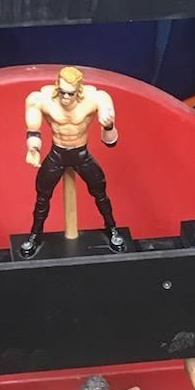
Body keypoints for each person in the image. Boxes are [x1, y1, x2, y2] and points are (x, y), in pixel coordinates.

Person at [20, 65, 126, 257]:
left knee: (100, 192)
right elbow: (33, 128)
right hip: (57, 153)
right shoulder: (41, 99)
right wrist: (33, 148)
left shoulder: (96, 99)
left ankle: (112, 229)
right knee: (42, 197)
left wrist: (108, 125)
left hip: (81, 153)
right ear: (56, 87)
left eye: (70, 94)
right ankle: (35, 235)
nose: (66, 98)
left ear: (79, 90)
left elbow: (110, 141)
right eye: (62, 93)